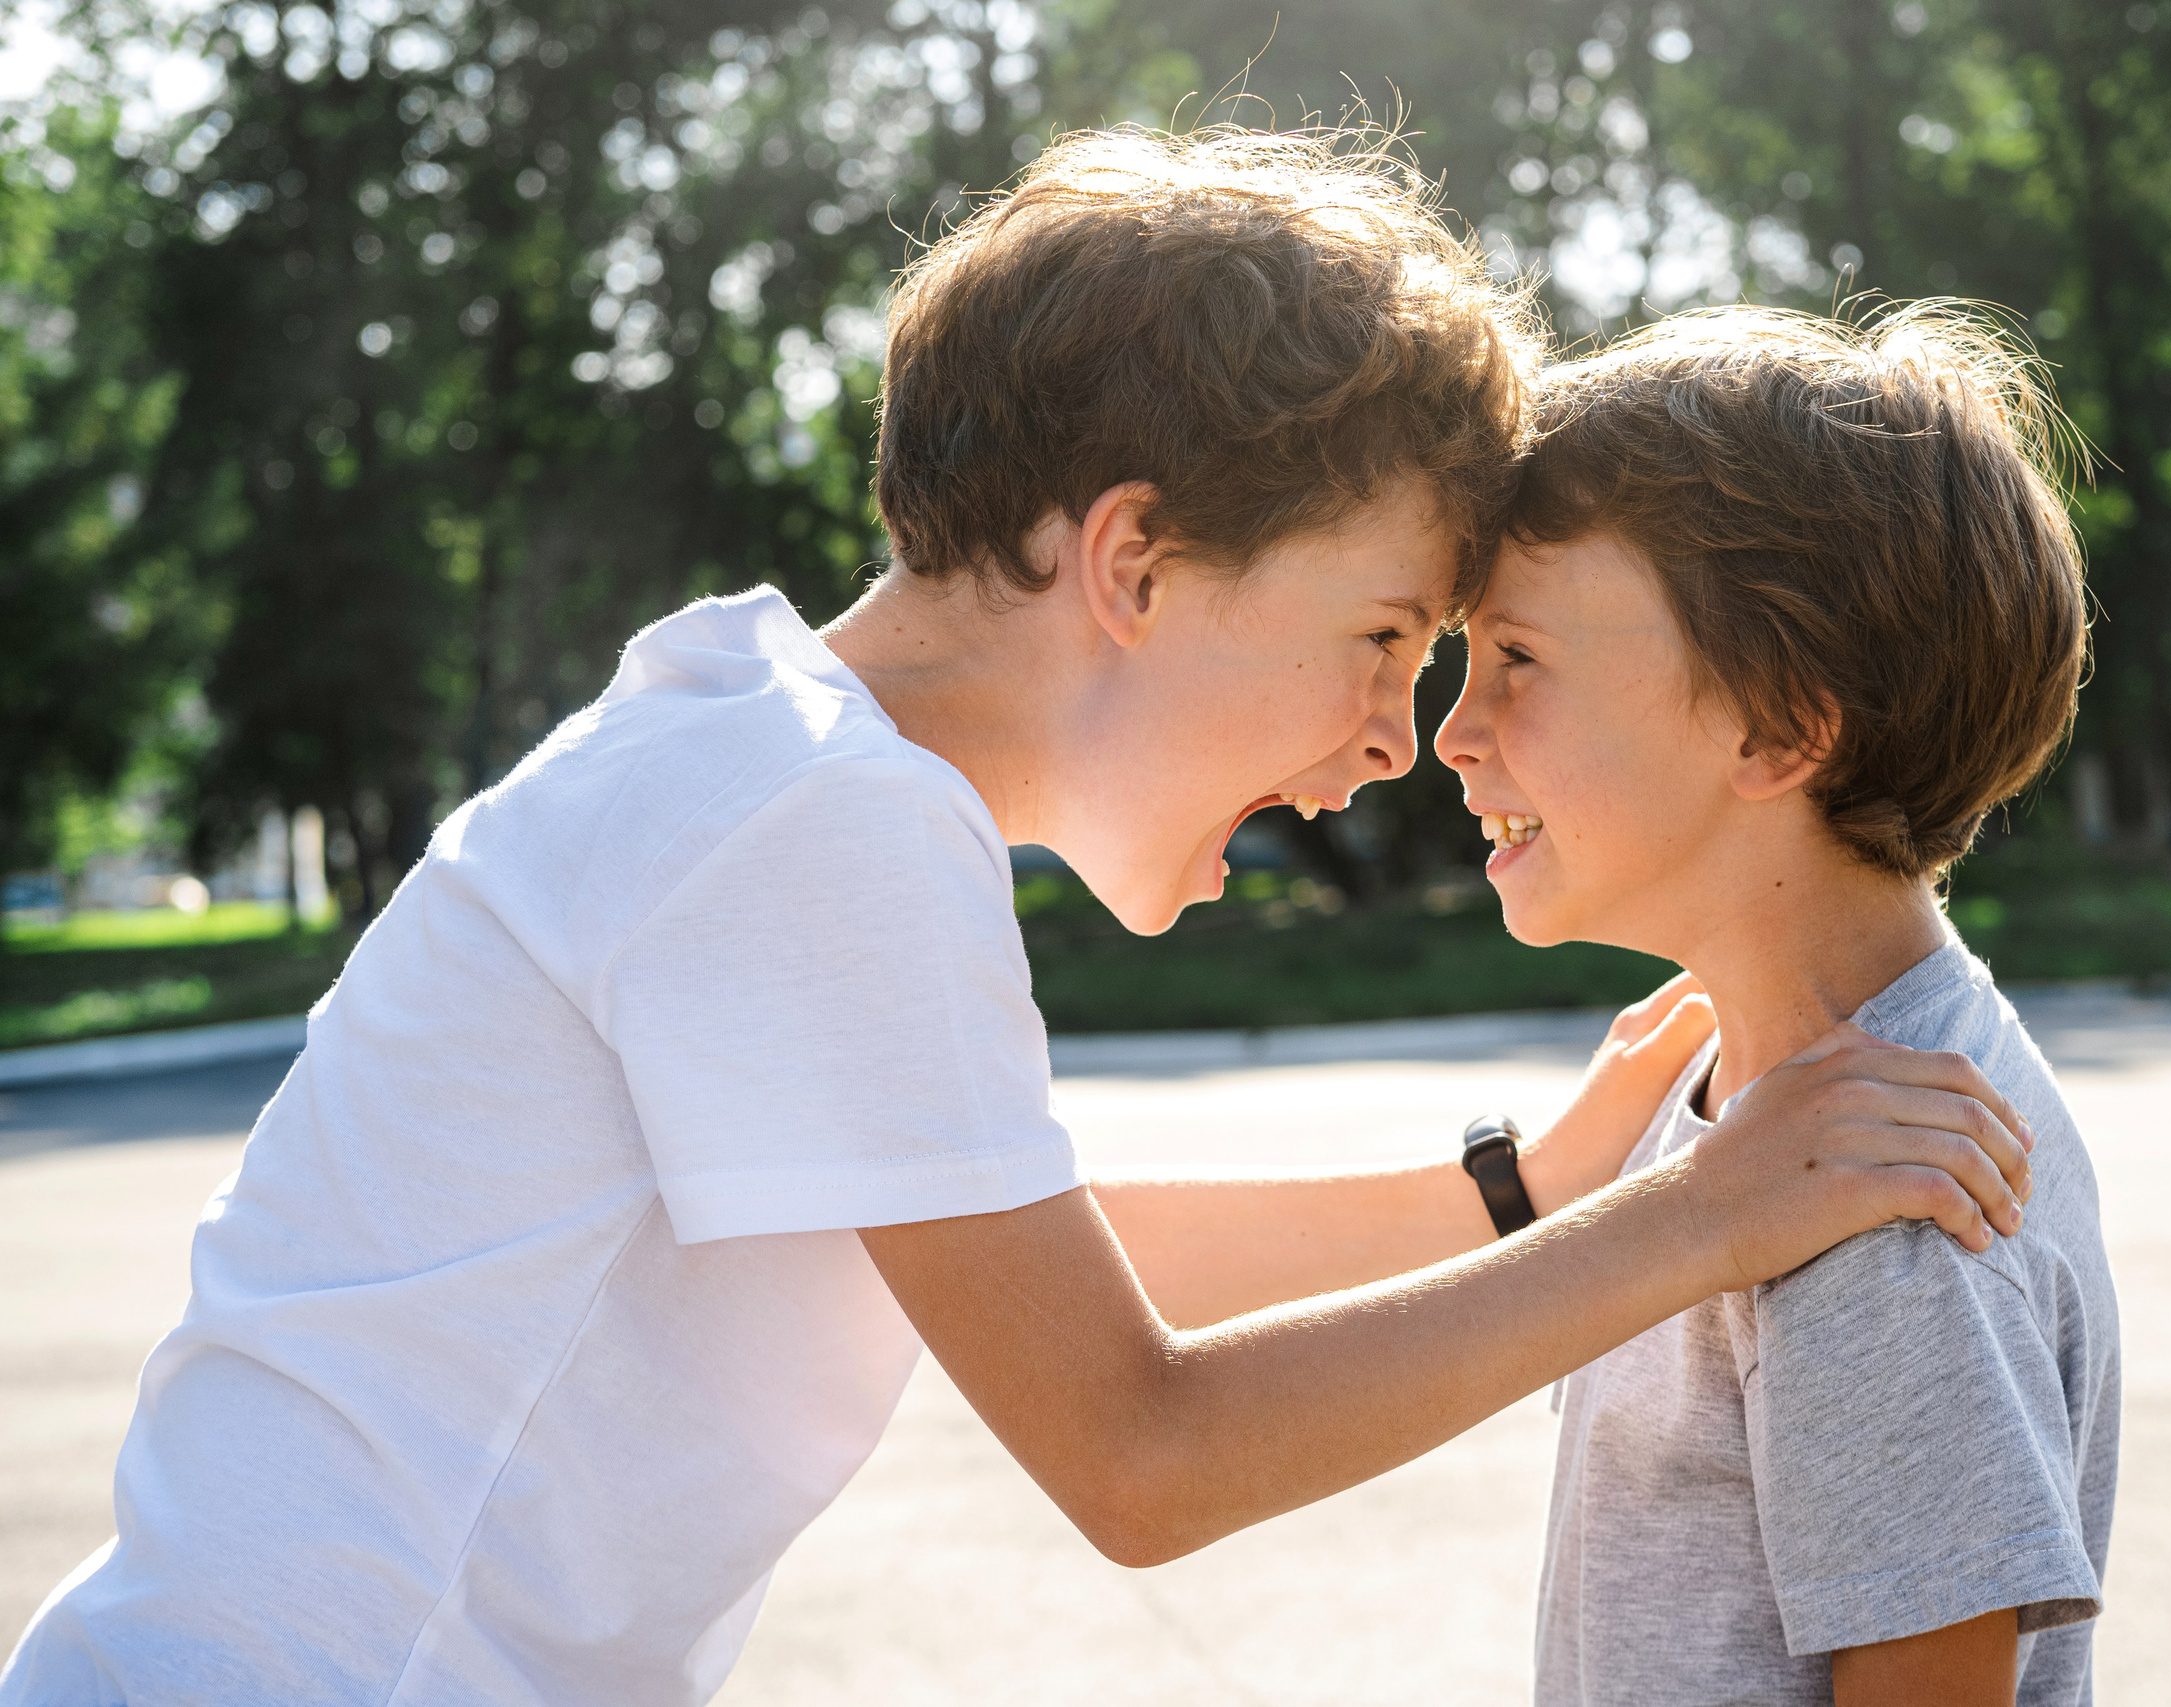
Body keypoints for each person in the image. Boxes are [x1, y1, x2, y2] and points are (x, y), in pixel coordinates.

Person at [0, 135, 2034, 1707]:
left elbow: (1014, 1243)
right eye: (1382, 634)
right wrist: (1694, 1216)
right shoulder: (818, 824)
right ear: (1134, 562)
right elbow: (1139, 1450)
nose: (1389, 739)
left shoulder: (752, 745)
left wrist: (1522, 1191)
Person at [1428, 304, 2120, 1707]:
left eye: (1518, 659)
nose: (1453, 732)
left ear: (1780, 725)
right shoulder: (1762, 1109)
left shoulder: (1887, 1212)